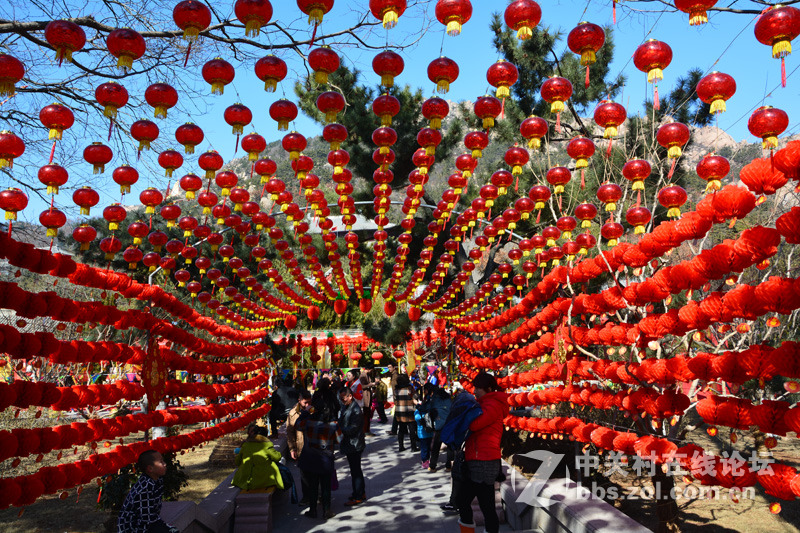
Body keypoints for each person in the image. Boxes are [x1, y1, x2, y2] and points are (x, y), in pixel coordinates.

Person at [457, 372, 509, 533]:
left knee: (482, 505)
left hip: (485, 461)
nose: (475, 391)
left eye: (478, 388)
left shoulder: (492, 405)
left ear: (488, 388)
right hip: (479, 458)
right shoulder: (484, 403)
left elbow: (474, 425)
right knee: (468, 501)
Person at [296, 399, 341, 520]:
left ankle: (313, 510)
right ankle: (327, 510)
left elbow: (297, 424)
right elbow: (339, 440)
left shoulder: (308, 422)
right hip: (326, 458)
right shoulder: (333, 424)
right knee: (326, 486)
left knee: (313, 485)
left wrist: (305, 412)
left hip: (312, 457)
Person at [117, 450, 178, 533]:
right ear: (150, 468)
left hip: (148, 522)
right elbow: (147, 519)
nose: (165, 464)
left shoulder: (157, 480)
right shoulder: (145, 488)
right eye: (161, 462)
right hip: (132, 527)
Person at [231, 424, 285, 491]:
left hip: (244, 480)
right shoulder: (266, 445)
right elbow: (277, 458)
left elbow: (237, 462)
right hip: (264, 480)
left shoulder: (245, 445)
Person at [338, 386, 367, 506]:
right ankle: (360, 492)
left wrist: (340, 430)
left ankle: (358, 496)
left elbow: (353, 428)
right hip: (351, 443)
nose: (342, 401)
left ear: (350, 396)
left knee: (355, 471)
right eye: (341, 399)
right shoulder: (347, 406)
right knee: (355, 470)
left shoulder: (355, 409)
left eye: (343, 398)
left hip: (355, 443)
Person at [428, 385, 452, 473]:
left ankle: (432, 466)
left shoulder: (435, 399)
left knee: (436, 446)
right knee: (450, 446)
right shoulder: (448, 399)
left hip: (439, 425)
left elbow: (430, 409)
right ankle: (449, 466)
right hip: (448, 424)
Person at [394, 374, 418, 452]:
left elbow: (395, 399)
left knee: (401, 429)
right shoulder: (410, 388)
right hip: (409, 411)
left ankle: (401, 446)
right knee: (412, 429)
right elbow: (415, 397)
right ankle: (413, 447)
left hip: (400, 411)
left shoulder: (396, 389)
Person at [286, 390, 312, 460]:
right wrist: (292, 449)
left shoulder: (314, 410)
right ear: (299, 401)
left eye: (309, 402)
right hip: (301, 448)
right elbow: (290, 432)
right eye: (305, 403)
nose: (307, 405)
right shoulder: (293, 413)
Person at [414, 386, 434, 469]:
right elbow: (417, 418)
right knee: (424, 448)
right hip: (422, 433)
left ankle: (427, 459)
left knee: (429, 447)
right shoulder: (418, 410)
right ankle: (424, 460)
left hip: (429, 433)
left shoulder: (428, 410)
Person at [386, 362, 399, 435]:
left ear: (394, 367)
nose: (389, 369)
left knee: (397, 414)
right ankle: (402, 430)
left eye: (390, 367)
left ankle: (394, 430)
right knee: (398, 414)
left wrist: (396, 397)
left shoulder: (395, 375)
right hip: (396, 397)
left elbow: (396, 387)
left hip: (397, 397)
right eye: (388, 367)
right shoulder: (393, 375)